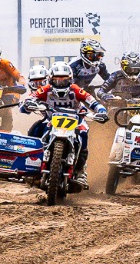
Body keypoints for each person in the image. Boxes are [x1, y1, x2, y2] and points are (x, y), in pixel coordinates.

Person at [18, 60, 106, 191]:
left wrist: (101, 111)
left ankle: (80, 171)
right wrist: (28, 104)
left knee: (83, 133)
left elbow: (91, 101)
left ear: (70, 79)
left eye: (64, 80)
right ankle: (32, 164)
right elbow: (31, 97)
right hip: (52, 120)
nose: (60, 83)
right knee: (35, 130)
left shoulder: (75, 89)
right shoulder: (45, 89)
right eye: (57, 80)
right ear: (51, 79)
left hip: (76, 121)